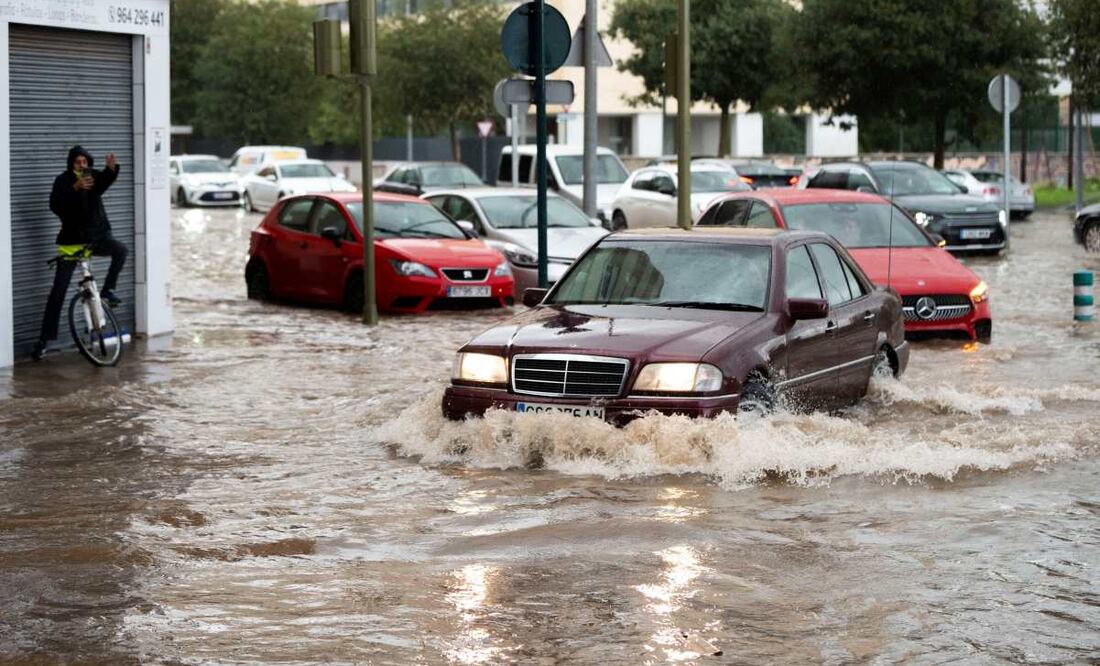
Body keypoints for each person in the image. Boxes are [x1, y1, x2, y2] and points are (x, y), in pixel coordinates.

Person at [31, 146, 127, 361]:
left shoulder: (92, 176)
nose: (82, 165)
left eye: (85, 161)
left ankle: (108, 291)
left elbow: (103, 183)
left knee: (121, 250)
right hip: (71, 243)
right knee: (58, 292)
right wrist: (74, 188)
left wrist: (111, 170)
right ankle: (44, 341)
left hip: (95, 238)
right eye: (78, 162)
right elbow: (55, 205)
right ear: (71, 163)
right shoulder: (63, 181)